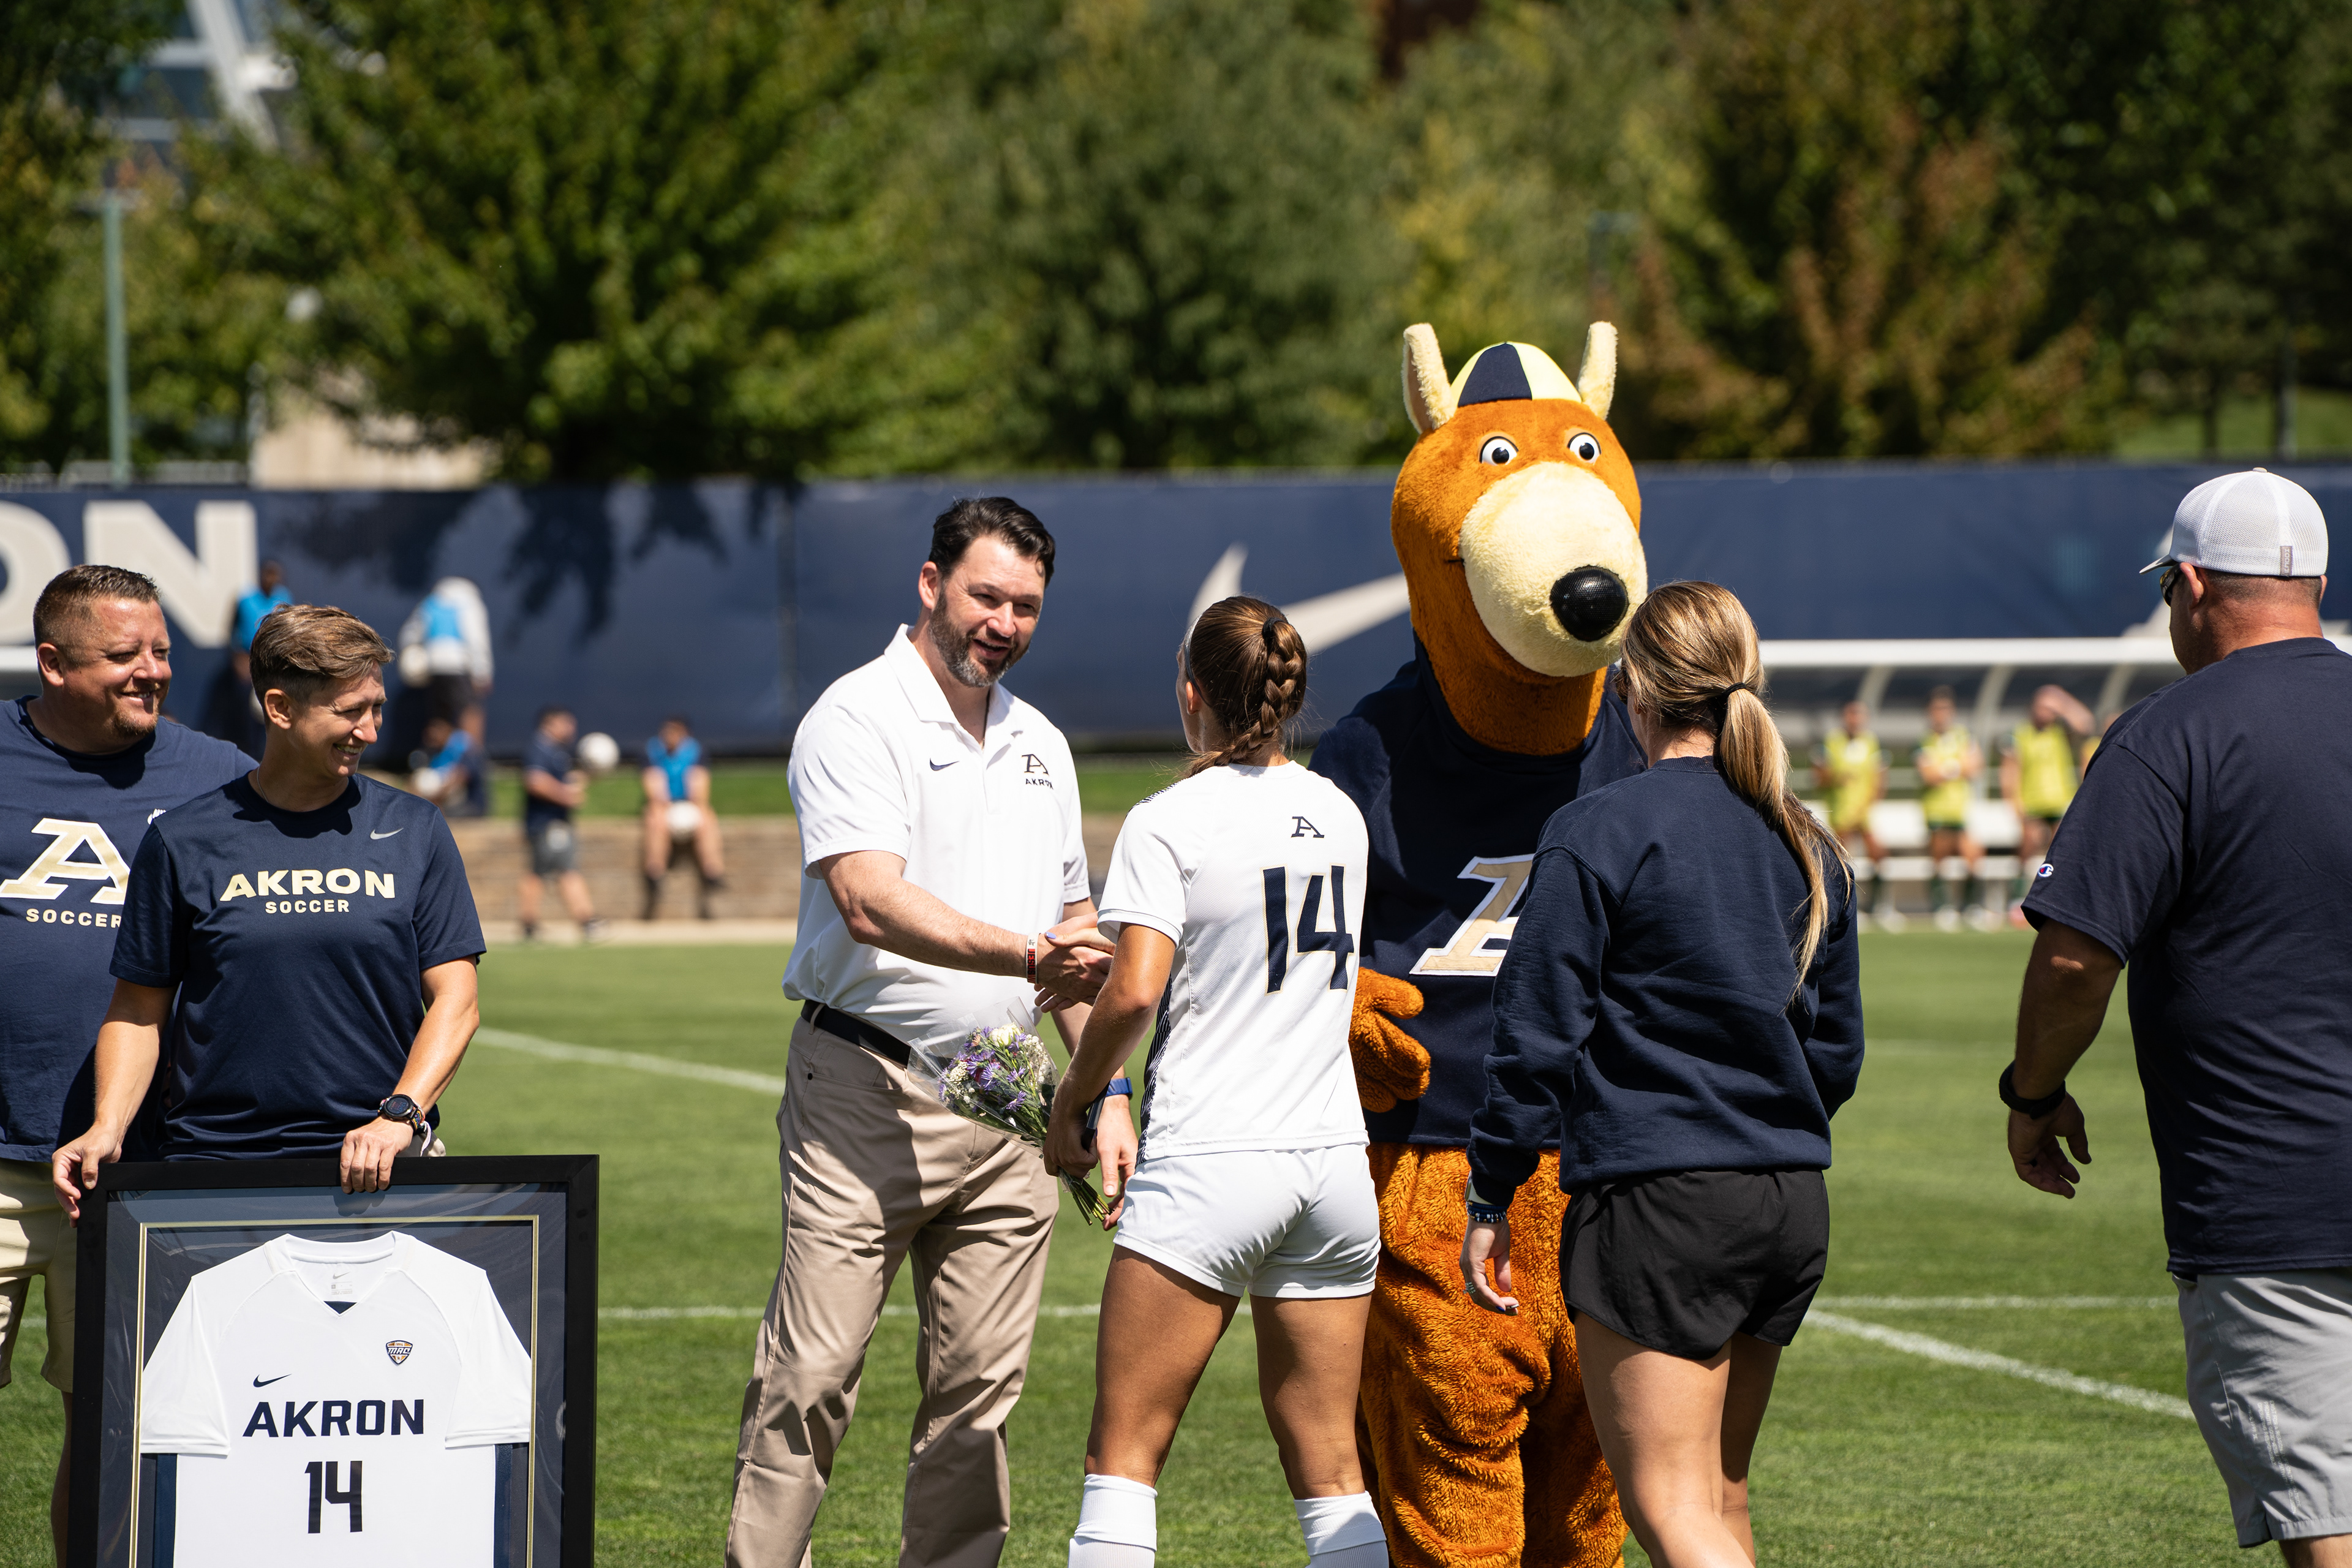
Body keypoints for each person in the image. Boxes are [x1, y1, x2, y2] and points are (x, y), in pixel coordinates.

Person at [727, 497, 1110, 1568]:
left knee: (979, 1396)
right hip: (864, 1088)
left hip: (1010, 1096)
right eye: (986, 596)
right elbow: (867, 900)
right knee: (810, 1375)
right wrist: (1029, 958)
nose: (1004, 623)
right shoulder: (856, 716)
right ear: (931, 583)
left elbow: (1078, 935)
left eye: (1026, 607)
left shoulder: (1041, 743)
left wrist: (1107, 1088)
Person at [1460, 582, 1863, 1568]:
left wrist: (1491, 1191)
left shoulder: (1600, 827)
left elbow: (1536, 1035)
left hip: (1659, 1200)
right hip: (1787, 1198)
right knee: (1719, 1496)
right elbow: (1836, 1053)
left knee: (1672, 1507)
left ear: (1632, 688)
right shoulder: (1805, 838)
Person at [2003, 469, 2350, 1567]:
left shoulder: (2166, 737)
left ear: (2192, 586)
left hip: (2275, 1205)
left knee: (2328, 1526)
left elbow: (2073, 960)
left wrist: (2032, 1094)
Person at [1043, 597, 1387, 1568]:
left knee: (1123, 1461)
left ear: (1191, 693)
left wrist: (1077, 1099)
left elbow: (1133, 992)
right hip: (1333, 1169)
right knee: (1332, 1470)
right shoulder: (1339, 813)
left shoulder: (1169, 820)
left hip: (1214, 1159)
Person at [0, 565, 251, 1566]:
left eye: (161, 651)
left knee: (120, 1437)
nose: (153, 671)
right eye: (124, 655)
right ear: (52, 662)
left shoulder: (220, 775)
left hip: (137, 1170)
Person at [1997, 684, 2093, 927]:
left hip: (2059, 803)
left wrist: (2062, 701)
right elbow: (2010, 773)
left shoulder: (2060, 732)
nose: (2046, 713)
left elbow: (2086, 724)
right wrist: (2015, 805)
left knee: (2063, 854)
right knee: (2028, 846)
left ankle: (2059, 900)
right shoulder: (2020, 734)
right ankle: (2017, 898)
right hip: (2032, 804)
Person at [519, 706, 606, 944]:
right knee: (556, 870)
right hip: (547, 824)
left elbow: (558, 780)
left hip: (553, 823)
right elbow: (535, 781)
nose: (571, 729)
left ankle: (531, 923)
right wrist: (565, 795)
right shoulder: (540, 748)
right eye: (566, 723)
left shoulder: (556, 752)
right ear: (550, 723)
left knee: (546, 870)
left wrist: (583, 778)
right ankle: (585, 920)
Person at [1913, 685, 1985, 930]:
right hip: (1936, 811)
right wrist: (1957, 767)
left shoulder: (1964, 736)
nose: (1941, 714)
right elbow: (1928, 775)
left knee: (1973, 857)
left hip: (1960, 810)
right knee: (1939, 859)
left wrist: (1945, 768)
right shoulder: (1924, 741)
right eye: (1937, 709)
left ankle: (1971, 906)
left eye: (1945, 708)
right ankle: (1941, 907)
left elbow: (1976, 766)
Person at [1814, 698, 1890, 927]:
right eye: (1852, 714)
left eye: (1859, 714)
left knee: (1879, 855)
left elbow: (1879, 776)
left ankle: (1879, 905)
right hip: (1841, 812)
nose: (1856, 719)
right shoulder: (1832, 742)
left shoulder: (1870, 742)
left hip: (1864, 813)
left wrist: (1873, 800)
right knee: (1842, 862)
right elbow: (1819, 777)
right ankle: (1845, 909)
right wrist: (1836, 776)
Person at [640, 714, 726, 918]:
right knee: (655, 818)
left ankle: (713, 872)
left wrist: (696, 808)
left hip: (689, 803)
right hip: (664, 804)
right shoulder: (652, 751)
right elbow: (653, 786)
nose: (670, 736)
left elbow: (700, 786)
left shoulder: (696, 751)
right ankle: (654, 873)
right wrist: (664, 807)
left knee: (707, 818)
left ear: (685, 734)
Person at [397, 575, 494, 728]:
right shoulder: (469, 603)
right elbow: (477, 639)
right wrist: (482, 673)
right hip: (460, 667)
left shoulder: (430, 603)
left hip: (434, 669)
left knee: (439, 716)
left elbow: (408, 635)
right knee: (470, 711)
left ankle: (436, 743)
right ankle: (469, 744)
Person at [410, 714, 483, 817]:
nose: (431, 740)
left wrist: (435, 799)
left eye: (435, 736)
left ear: (446, 730)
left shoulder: (463, 747)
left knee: (432, 815)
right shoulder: (436, 752)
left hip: (470, 806)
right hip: (446, 803)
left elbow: (459, 779)